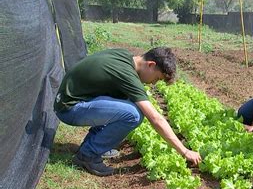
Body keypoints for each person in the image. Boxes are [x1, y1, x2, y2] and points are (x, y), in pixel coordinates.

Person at [54, 47, 201, 176]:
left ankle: (96, 145)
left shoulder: (126, 57)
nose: (153, 83)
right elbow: (155, 118)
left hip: (72, 100)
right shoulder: (126, 73)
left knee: (128, 103)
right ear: (151, 64)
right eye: (156, 78)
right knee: (133, 114)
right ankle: (88, 155)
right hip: (70, 108)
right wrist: (184, 151)